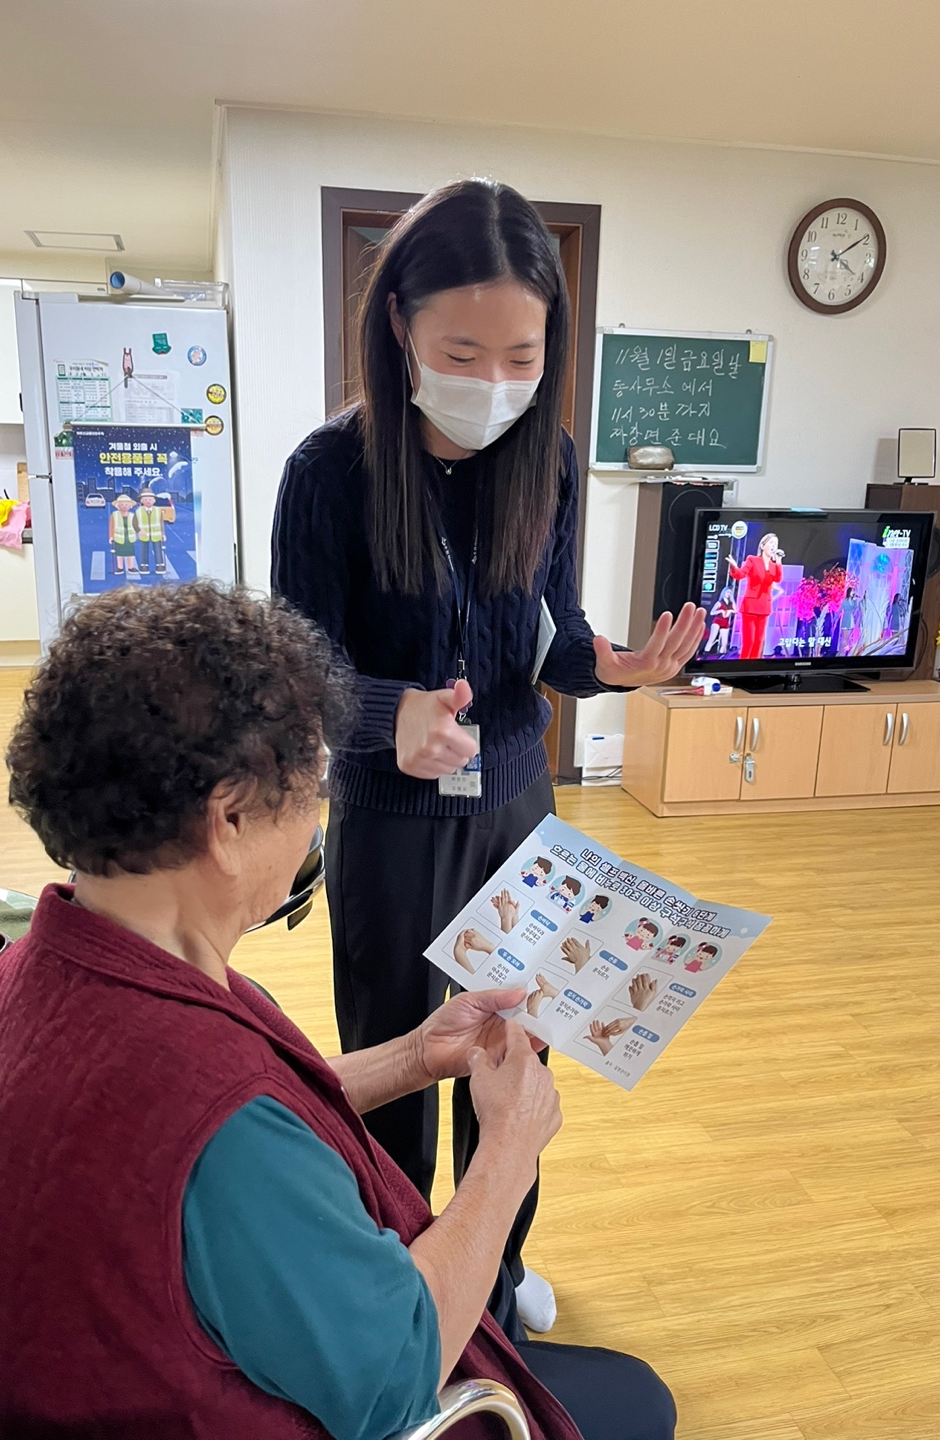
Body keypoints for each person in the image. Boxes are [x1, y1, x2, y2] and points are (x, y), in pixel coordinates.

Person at [0, 584, 676, 1440]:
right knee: (641, 1404)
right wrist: (505, 1152)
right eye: (311, 793)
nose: (317, 821)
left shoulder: (38, 969)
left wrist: (417, 1056)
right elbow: (395, 1378)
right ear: (231, 822)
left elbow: (249, 1128)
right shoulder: (211, 1112)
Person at [272, 179, 704, 1331]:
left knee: (518, 1055)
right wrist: (384, 713)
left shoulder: (549, 462)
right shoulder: (330, 472)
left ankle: (496, 1278)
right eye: (467, 351)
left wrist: (605, 668)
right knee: (400, 1060)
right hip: (395, 820)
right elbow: (294, 666)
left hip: (520, 805)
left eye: (523, 355)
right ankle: (395, 1284)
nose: (497, 383)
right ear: (400, 324)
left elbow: (547, 631)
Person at [727, 533, 783, 660]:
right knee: (749, 640)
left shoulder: (774, 566)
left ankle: (753, 668)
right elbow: (740, 574)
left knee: (758, 640)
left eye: (776, 544)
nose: (774, 546)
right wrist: (734, 566)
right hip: (750, 606)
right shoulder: (752, 560)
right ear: (763, 546)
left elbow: (778, 579)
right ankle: (743, 667)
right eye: (771, 543)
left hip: (764, 606)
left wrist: (779, 562)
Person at [135, 486, 175, 575]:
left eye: (150, 499)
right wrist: (138, 531)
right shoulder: (139, 511)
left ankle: (159, 565)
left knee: (158, 550)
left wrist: (163, 534)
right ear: (141, 501)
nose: (148, 501)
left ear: (154, 500)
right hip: (143, 535)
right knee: (143, 550)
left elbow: (161, 523)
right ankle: (144, 565)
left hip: (156, 535)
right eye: (145, 499)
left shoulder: (158, 511)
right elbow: (135, 522)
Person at [108, 491, 139, 576]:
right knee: (119, 554)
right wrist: (111, 536)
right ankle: (120, 567)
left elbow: (136, 525)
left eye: (126, 505)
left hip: (129, 538)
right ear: (118, 506)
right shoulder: (114, 515)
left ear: (130, 506)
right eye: (122, 504)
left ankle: (131, 567)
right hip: (119, 538)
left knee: (130, 553)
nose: (124, 506)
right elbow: (112, 526)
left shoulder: (132, 515)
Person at [703, 587, 736, 654]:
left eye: (730, 593)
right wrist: (720, 611)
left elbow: (736, 610)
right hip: (717, 621)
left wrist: (730, 610)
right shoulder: (719, 603)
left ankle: (720, 656)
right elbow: (712, 612)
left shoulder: (731, 603)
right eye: (727, 592)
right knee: (712, 638)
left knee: (724, 643)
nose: (728, 594)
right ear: (724, 593)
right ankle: (705, 653)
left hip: (725, 623)